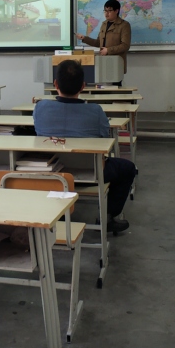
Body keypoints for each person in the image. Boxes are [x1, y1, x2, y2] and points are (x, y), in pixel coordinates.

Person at [33, 59, 137, 233]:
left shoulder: (40, 107)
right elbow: (105, 140)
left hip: (52, 171)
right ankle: (108, 217)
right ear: (83, 86)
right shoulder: (95, 111)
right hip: (91, 172)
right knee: (127, 168)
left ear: (55, 84)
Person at [75, 0, 132, 75]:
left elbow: (125, 46)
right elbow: (99, 43)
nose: (106, 14)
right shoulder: (104, 24)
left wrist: (108, 50)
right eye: (105, 11)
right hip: (103, 62)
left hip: (116, 63)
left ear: (116, 11)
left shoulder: (124, 25)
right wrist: (84, 38)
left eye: (109, 11)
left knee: (115, 82)